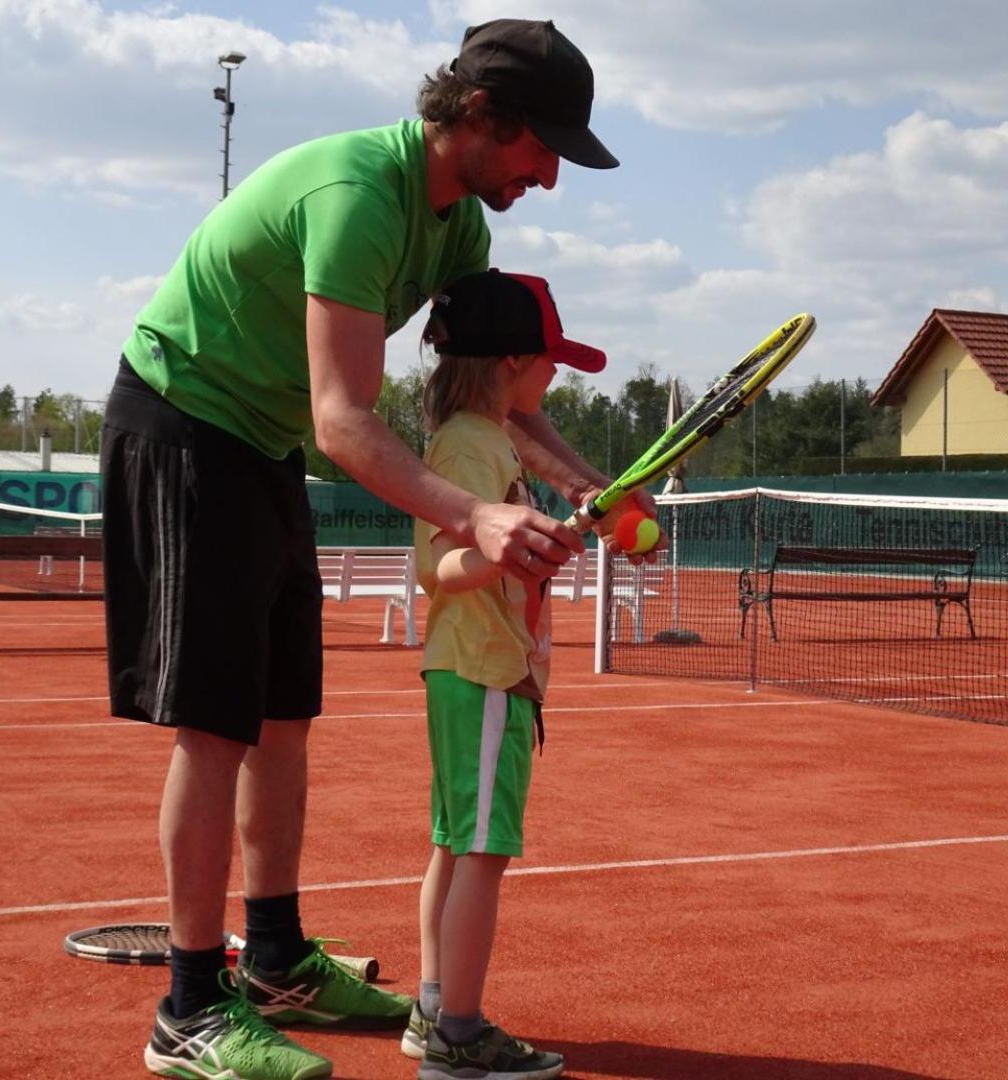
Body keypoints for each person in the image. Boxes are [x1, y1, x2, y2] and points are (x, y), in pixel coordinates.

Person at [100, 19, 621, 1080]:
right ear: (481, 116)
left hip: (265, 444)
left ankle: (276, 963)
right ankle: (189, 1008)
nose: (548, 177)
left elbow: (495, 397)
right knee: (216, 725)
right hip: (185, 422)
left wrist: (584, 485)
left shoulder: (458, 228)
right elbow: (345, 420)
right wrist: (475, 516)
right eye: (541, 148)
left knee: (282, 717)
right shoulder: (357, 197)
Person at [400, 270, 599, 1080]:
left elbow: (490, 552)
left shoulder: (484, 440)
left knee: (455, 846)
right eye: (550, 361)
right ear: (513, 362)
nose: (555, 377)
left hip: (481, 668)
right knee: (481, 854)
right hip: (482, 669)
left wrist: (546, 536)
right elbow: (440, 567)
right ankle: (458, 1034)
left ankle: (433, 1010)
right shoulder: (468, 445)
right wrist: (509, 548)